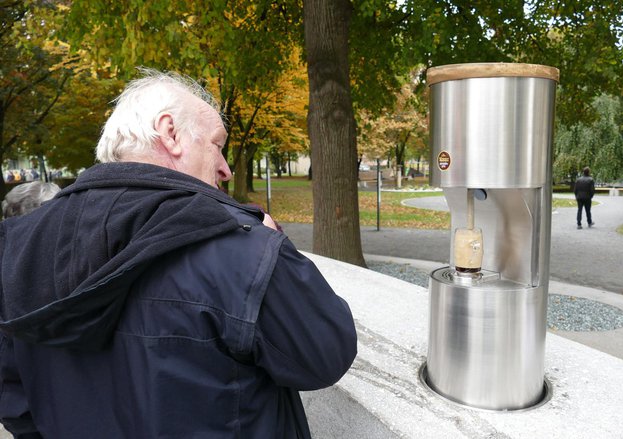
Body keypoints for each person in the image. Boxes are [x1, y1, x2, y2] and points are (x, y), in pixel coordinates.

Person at [0, 69, 357, 438]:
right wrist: (273, 248)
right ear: (170, 132)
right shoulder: (242, 248)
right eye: (217, 145)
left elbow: (15, 402)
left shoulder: (15, 244)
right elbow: (326, 355)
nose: (225, 168)